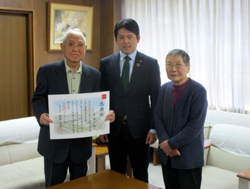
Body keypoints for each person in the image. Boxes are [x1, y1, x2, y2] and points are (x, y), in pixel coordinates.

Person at [31, 28, 115, 187]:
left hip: (81, 146)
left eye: (80, 44)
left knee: (80, 185)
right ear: (62, 47)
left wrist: (107, 114)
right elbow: (38, 98)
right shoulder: (47, 71)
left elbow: (98, 105)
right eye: (70, 44)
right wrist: (41, 114)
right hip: (53, 145)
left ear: (85, 48)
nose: (75, 49)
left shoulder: (94, 75)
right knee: (53, 185)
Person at [99, 18, 161, 182]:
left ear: (138, 38)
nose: (125, 41)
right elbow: (102, 97)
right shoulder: (106, 63)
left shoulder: (150, 64)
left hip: (140, 131)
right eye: (121, 37)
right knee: (115, 174)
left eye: (130, 36)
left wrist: (153, 129)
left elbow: (156, 99)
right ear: (115, 39)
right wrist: (102, 126)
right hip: (115, 129)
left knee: (141, 174)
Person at [154, 49, 207, 189]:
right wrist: (165, 143)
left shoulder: (198, 91)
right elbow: (158, 117)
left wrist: (170, 144)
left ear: (188, 67)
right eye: (169, 64)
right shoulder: (164, 89)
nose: (173, 69)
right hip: (167, 157)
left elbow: (195, 126)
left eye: (178, 64)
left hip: (188, 157)